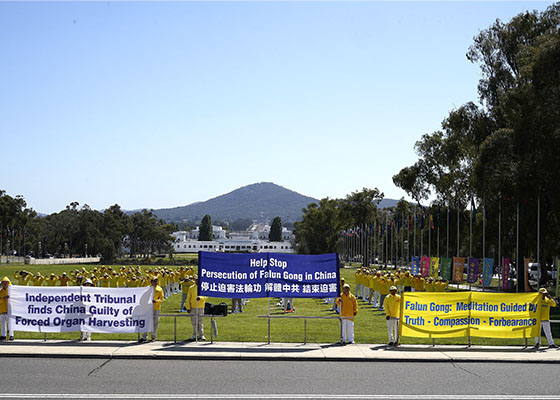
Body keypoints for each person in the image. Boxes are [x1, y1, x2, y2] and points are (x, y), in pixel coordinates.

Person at [139, 277, 164, 343]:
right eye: (153, 281)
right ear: (151, 282)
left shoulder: (159, 289)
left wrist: (156, 301)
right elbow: (143, 298)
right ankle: (144, 336)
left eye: (156, 281)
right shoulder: (147, 288)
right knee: (146, 322)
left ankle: (153, 336)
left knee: (155, 323)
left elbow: (162, 299)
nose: (155, 282)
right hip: (148, 309)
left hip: (156, 308)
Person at [186, 276, 206, 341]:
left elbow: (205, 296)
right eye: (196, 279)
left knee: (200, 322)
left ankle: (202, 335)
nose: (197, 281)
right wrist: (188, 307)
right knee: (194, 322)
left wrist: (200, 298)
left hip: (200, 307)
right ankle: (195, 334)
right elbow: (188, 298)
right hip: (193, 307)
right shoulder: (191, 288)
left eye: (198, 279)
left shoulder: (202, 286)